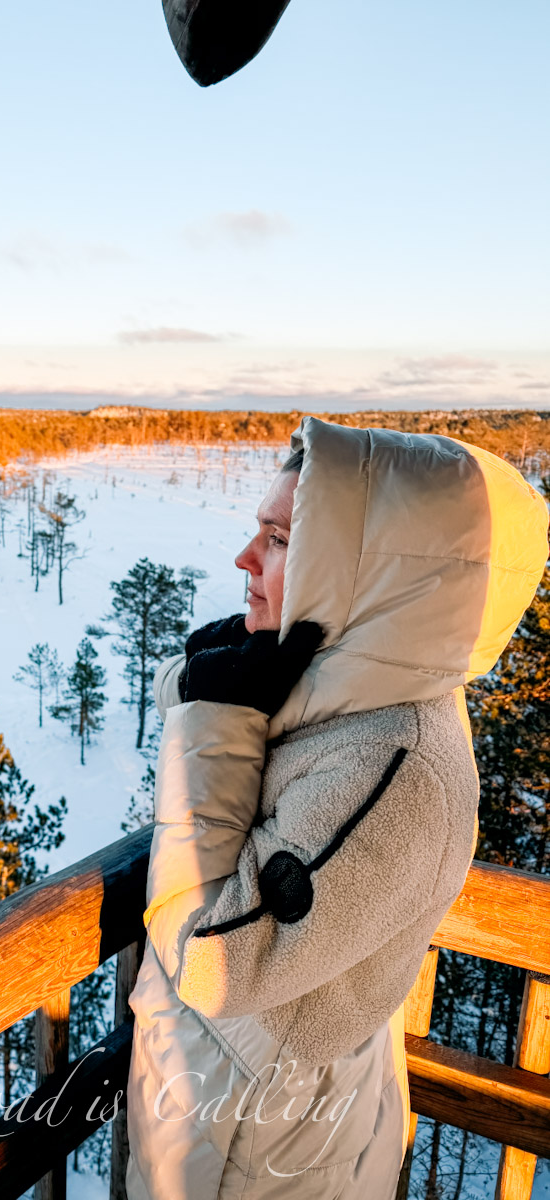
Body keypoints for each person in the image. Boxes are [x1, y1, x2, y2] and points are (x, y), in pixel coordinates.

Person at [125, 416, 549, 1200]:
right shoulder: (332, 686)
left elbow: (212, 961)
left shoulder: (393, 765)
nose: (244, 558)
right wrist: (216, 678)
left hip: (265, 1148)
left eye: (281, 539)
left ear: (369, 575)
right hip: (211, 1107)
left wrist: (215, 714)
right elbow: (191, 701)